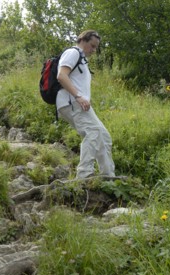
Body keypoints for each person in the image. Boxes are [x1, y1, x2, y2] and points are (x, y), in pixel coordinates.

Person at [56, 30, 115, 179]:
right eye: (92, 46)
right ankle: (84, 174)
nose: (94, 50)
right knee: (93, 132)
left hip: (79, 103)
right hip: (72, 102)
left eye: (96, 47)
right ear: (82, 40)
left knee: (104, 136)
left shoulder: (82, 59)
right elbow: (61, 76)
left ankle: (108, 174)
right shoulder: (73, 53)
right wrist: (78, 96)